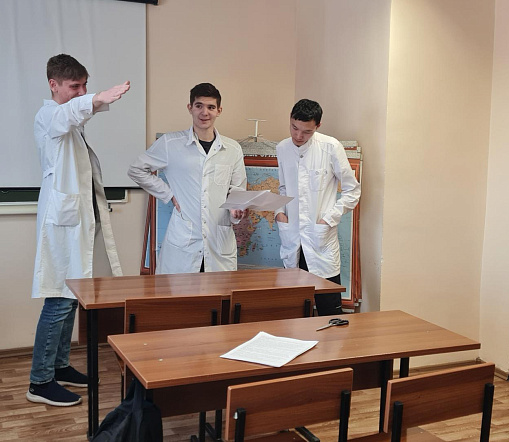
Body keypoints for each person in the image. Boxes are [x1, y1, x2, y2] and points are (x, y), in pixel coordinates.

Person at [28, 54, 130, 407]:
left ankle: (58, 366)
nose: (82, 92)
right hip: (61, 226)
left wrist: (95, 102)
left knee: (71, 299)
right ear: (53, 84)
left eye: (85, 85)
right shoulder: (49, 116)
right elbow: (71, 113)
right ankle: (40, 381)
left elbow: (80, 112)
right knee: (58, 299)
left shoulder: (71, 120)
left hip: (75, 222)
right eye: (75, 86)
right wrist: (98, 97)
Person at [128, 83, 247, 274]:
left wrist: (236, 208)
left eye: (211, 107)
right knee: (179, 291)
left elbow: (237, 189)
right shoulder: (170, 143)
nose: (204, 112)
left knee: (219, 291)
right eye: (199, 106)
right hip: (184, 243)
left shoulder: (233, 149)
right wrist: (168, 194)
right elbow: (136, 169)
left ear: (219, 111)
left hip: (219, 243)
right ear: (190, 108)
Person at [275, 99, 361, 315]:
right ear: (290, 119)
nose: (298, 136)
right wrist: (279, 213)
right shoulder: (282, 148)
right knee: (294, 312)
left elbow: (352, 191)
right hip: (292, 237)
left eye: (306, 131)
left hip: (320, 239)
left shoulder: (330, 147)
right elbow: (283, 187)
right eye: (294, 128)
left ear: (318, 126)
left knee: (329, 311)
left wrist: (329, 219)